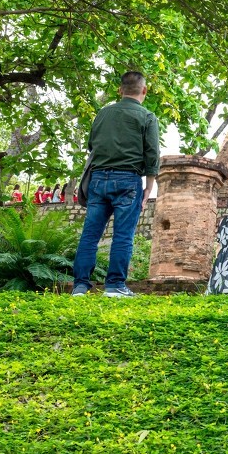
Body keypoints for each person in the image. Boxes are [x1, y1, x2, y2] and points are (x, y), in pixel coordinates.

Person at [71, 70, 161, 297]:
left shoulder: (103, 113)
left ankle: (80, 286)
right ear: (144, 90)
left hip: (98, 178)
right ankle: (115, 286)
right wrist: (149, 187)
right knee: (123, 235)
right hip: (128, 180)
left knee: (90, 235)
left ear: (120, 90)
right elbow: (152, 154)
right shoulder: (147, 116)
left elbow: (92, 145)